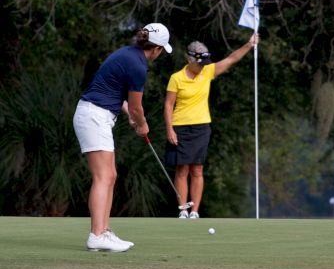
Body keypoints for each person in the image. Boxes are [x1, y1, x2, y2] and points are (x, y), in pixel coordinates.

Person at [73, 23, 173, 252]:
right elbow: (137, 107)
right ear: (156, 49)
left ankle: (103, 232)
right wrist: (142, 124)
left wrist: (129, 114)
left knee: (110, 175)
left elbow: (118, 95)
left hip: (98, 114)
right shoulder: (138, 65)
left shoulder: (127, 54)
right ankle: (97, 235)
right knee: (103, 176)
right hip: (94, 116)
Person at [164, 33, 259, 219]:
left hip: (201, 127)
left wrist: (249, 45)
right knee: (182, 169)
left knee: (197, 169)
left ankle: (195, 211)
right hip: (180, 127)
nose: (201, 67)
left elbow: (231, 59)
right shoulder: (176, 78)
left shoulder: (207, 72)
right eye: (199, 63)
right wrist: (169, 129)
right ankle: (182, 209)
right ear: (189, 59)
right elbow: (168, 105)